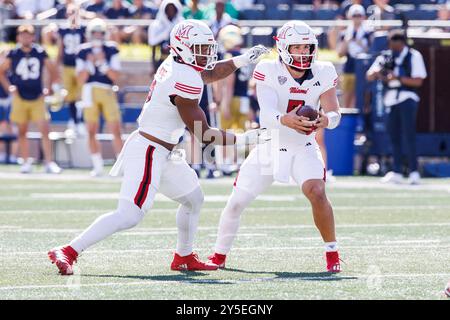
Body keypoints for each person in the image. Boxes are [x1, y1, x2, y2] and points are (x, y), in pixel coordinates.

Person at [48, 19, 269, 275]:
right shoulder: (183, 77)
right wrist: (245, 139)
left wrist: (242, 60)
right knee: (130, 214)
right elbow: (203, 134)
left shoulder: (178, 63)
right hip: (150, 150)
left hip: (165, 150)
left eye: (206, 47)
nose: (205, 53)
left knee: (193, 199)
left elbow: (208, 73)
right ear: (184, 47)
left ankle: (184, 257)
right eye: (199, 48)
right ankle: (69, 250)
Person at [208, 21, 343, 273]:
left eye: (307, 47)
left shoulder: (324, 70)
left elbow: (335, 114)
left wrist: (326, 119)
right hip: (271, 143)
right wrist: (286, 119)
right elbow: (267, 114)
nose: (303, 52)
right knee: (236, 202)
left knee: (317, 191)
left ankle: (332, 253)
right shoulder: (268, 68)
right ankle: (218, 255)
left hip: (303, 144)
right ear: (282, 47)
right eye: (297, 47)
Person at [366, 29, 427, 185]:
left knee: (409, 136)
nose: (394, 49)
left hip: (407, 97)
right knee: (393, 137)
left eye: (397, 46)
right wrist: (379, 73)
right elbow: (369, 75)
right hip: (390, 99)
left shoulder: (414, 56)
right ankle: (397, 171)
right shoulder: (385, 56)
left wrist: (398, 77)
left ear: (403, 44)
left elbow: (418, 81)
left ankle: (414, 172)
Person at [0, 25, 62, 174]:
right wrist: (9, 87)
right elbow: (1, 72)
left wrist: (49, 88)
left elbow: (53, 70)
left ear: (33, 37)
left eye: (28, 35)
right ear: (18, 37)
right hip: (20, 96)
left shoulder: (39, 52)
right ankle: (26, 161)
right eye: (22, 35)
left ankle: (49, 162)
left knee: (44, 129)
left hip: (37, 96)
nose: (25, 38)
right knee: (22, 130)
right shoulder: (13, 53)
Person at [75, 18, 123, 177]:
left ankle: (120, 165)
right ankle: (97, 166)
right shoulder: (83, 51)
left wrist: (102, 62)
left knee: (115, 129)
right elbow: (80, 79)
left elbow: (115, 76)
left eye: (100, 32)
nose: (97, 36)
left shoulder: (111, 49)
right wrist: (90, 64)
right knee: (91, 130)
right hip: (89, 90)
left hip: (107, 90)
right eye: (94, 32)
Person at [56, 4, 85, 133]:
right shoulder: (63, 29)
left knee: (83, 94)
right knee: (70, 95)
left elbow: (86, 47)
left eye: (75, 12)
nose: (72, 15)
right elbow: (60, 49)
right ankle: (74, 120)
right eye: (70, 12)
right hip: (67, 65)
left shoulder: (83, 29)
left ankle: (81, 121)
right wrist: (57, 67)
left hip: (79, 66)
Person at [337, 4, 371, 109]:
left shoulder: (368, 33)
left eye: (359, 15)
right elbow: (340, 54)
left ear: (363, 17)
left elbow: (371, 52)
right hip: (349, 67)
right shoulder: (345, 33)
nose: (357, 18)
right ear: (350, 17)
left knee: (363, 98)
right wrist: (347, 41)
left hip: (364, 68)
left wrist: (359, 42)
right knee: (347, 97)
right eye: (354, 15)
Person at [148, 0, 184, 72]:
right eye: (168, 9)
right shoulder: (155, 25)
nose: (171, 11)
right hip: (161, 60)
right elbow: (152, 43)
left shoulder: (182, 24)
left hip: (178, 61)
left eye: (173, 9)